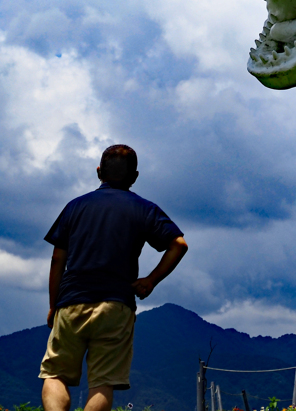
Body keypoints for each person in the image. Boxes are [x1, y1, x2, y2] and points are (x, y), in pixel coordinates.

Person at [39, 144, 189, 411]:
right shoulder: (144, 208)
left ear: (98, 171)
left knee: (55, 375)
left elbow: (57, 260)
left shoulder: (75, 207)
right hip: (116, 305)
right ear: (135, 177)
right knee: (102, 383)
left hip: (72, 300)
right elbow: (178, 244)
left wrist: (54, 304)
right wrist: (150, 280)